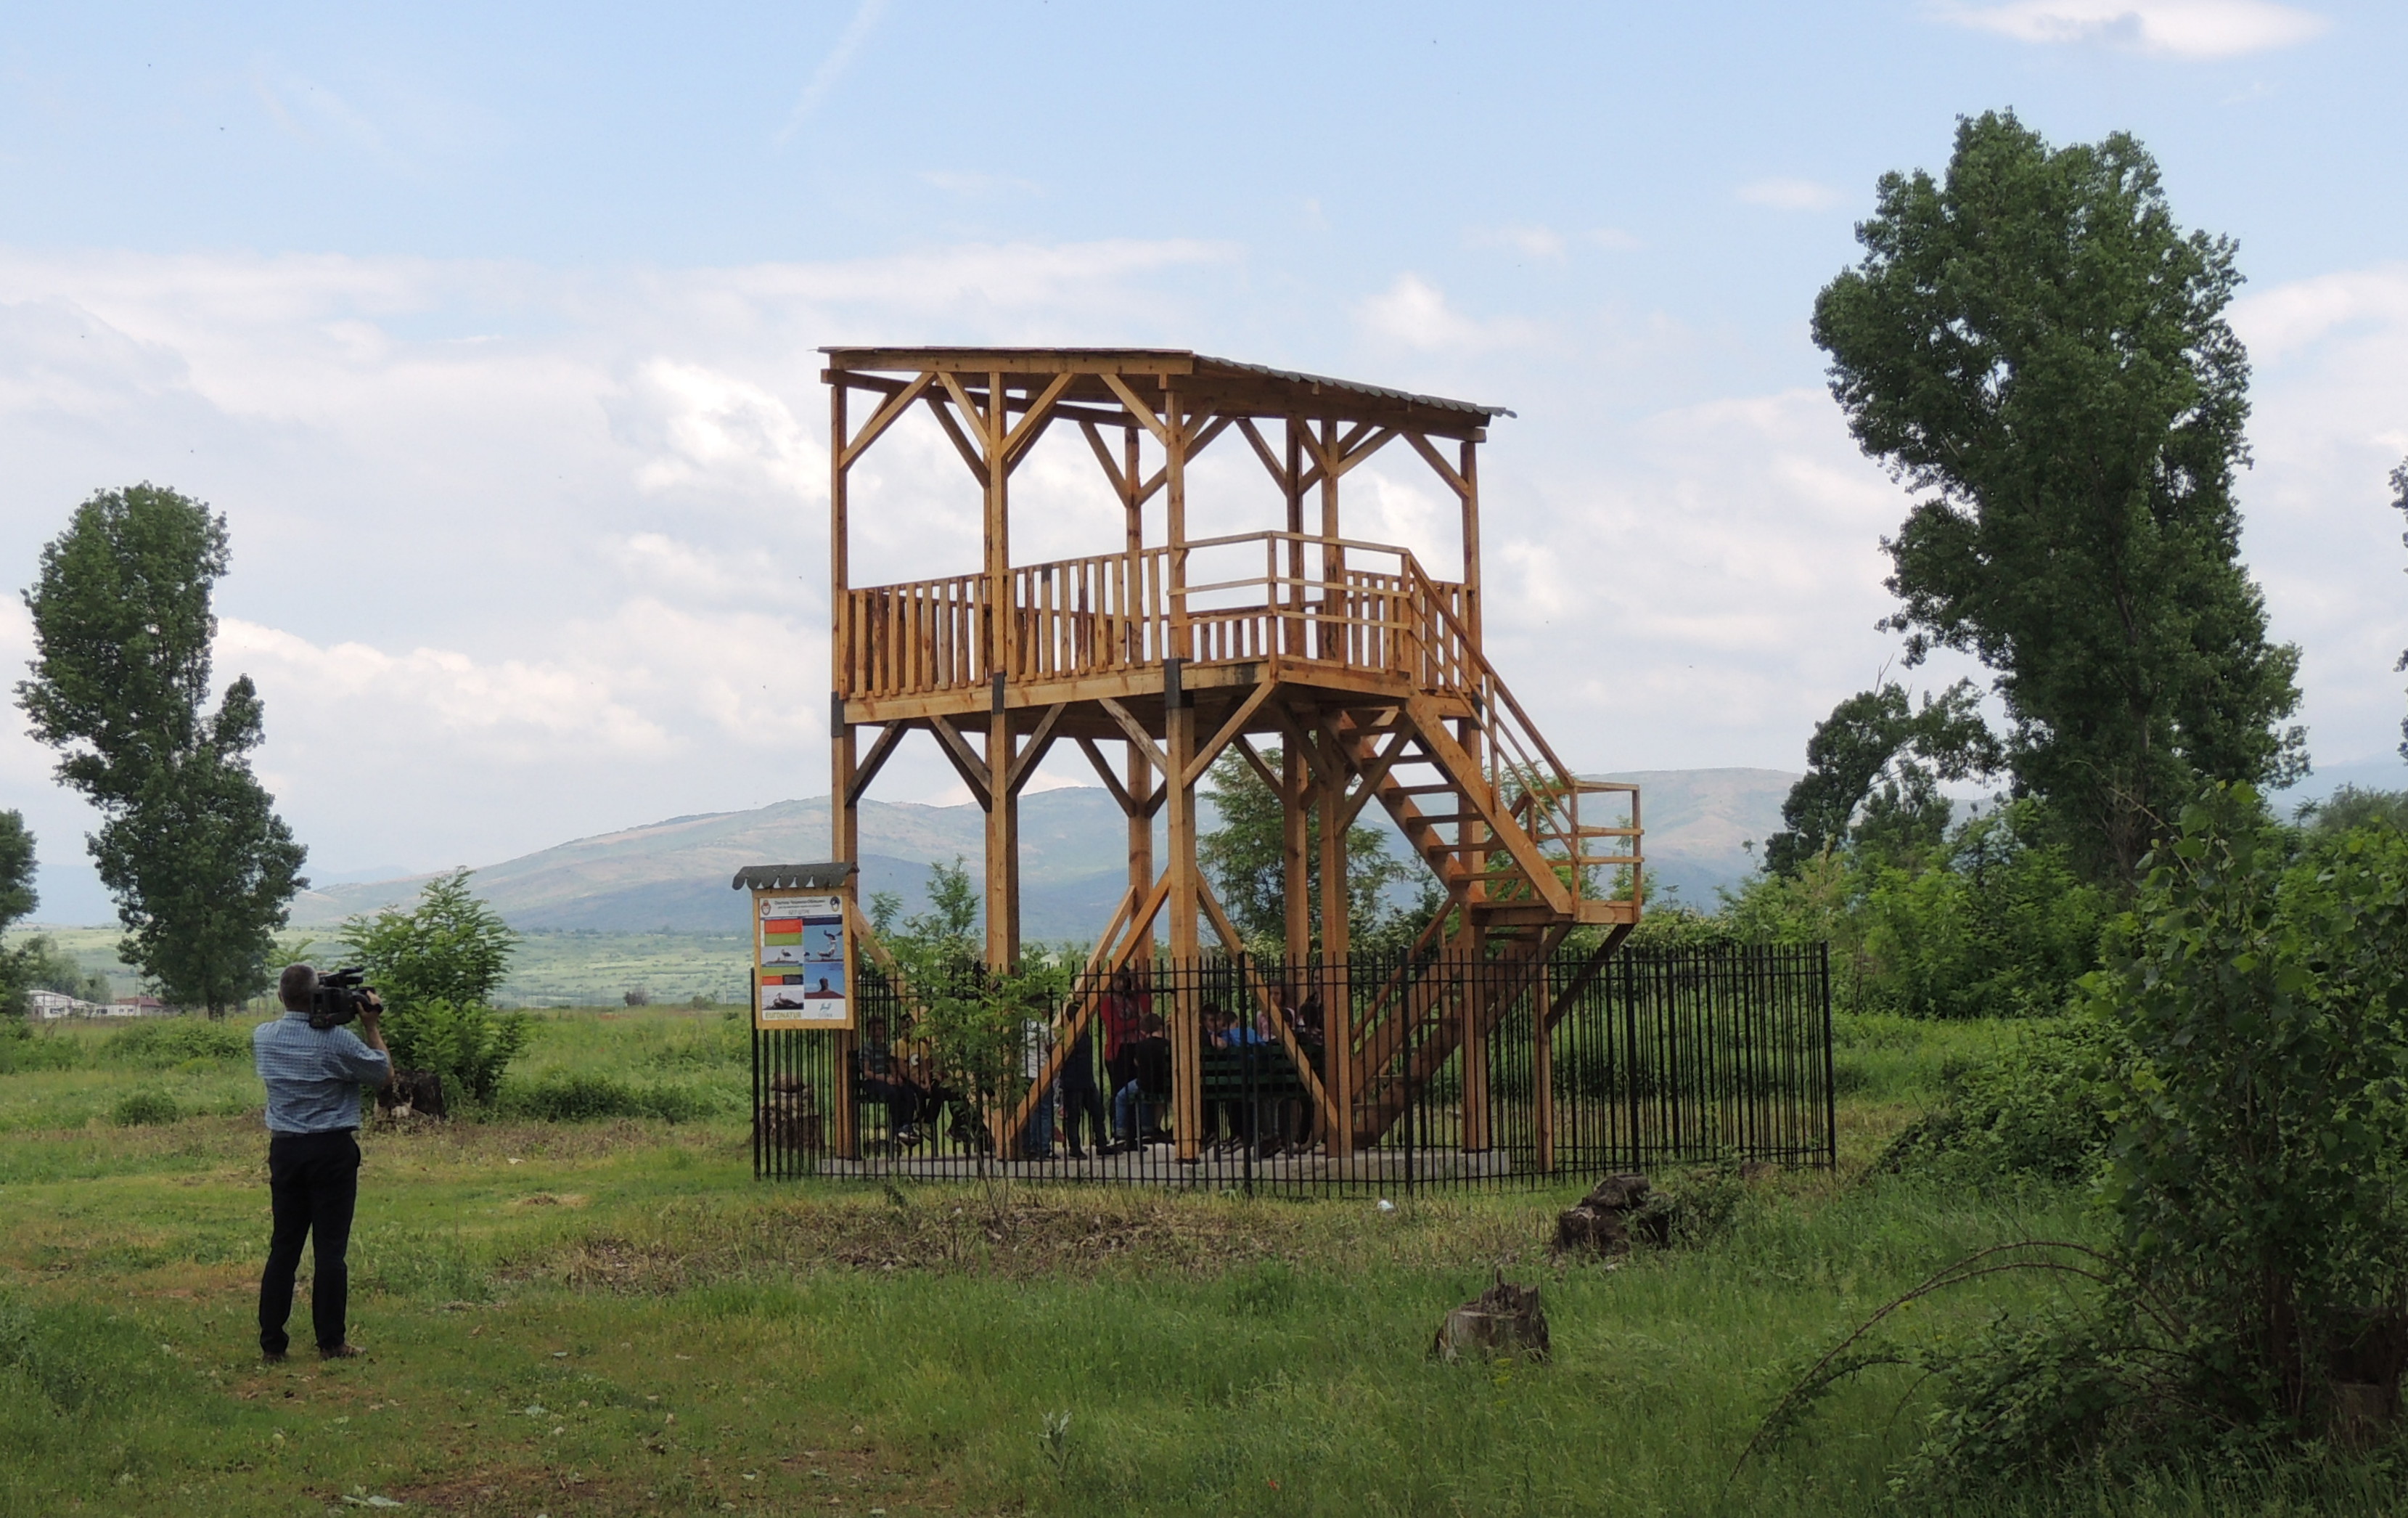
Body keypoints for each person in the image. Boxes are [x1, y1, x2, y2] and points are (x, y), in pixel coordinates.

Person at [253, 963, 390, 1363]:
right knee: (330, 1250)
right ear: (316, 997)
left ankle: (272, 1345)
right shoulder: (337, 1042)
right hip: (331, 1150)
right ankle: (331, 1342)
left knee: (284, 1246)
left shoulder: (263, 1037)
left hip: (286, 1150)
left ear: (280, 997)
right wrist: (371, 1026)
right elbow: (383, 1075)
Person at [853, 1016, 922, 1146]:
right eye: (874, 1030)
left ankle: (907, 1125)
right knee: (893, 1093)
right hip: (872, 1081)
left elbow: (891, 1065)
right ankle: (896, 1127)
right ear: (868, 1032)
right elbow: (866, 1072)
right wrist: (885, 1078)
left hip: (887, 1080)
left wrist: (896, 1077)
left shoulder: (886, 1048)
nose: (877, 1032)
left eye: (880, 1029)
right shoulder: (866, 1049)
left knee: (907, 1092)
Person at [1057, 1015, 1107, 1159]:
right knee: (1074, 1116)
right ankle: (1074, 1147)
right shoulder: (1067, 1034)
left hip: (1087, 1079)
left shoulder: (1084, 1032)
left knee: (1098, 1112)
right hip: (1072, 1081)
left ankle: (1102, 1144)